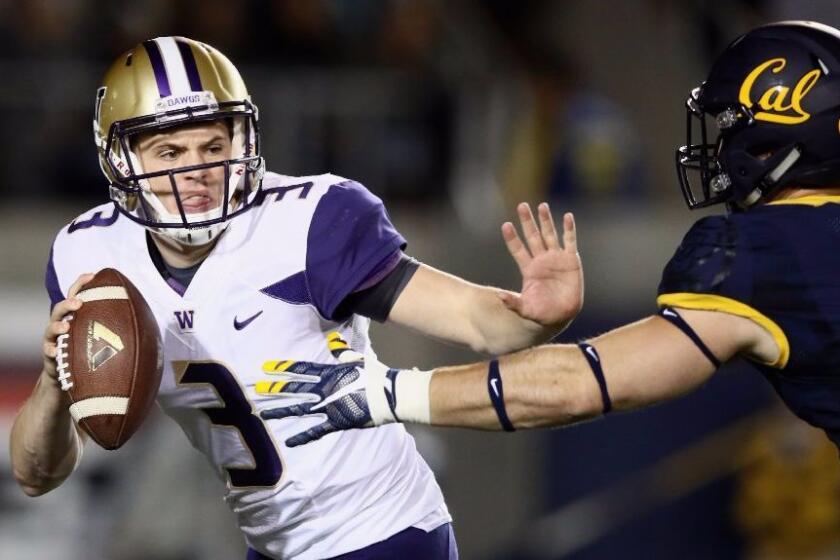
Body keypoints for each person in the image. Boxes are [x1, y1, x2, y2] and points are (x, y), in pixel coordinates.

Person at [9, 37, 585, 559]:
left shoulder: (308, 222)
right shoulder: (89, 257)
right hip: (274, 546)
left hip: (383, 529)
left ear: (243, 139)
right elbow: (36, 475)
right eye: (170, 153)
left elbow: (475, 322)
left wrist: (532, 317)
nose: (199, 170)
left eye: (213, 144)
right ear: (122, 160)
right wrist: (56, 382)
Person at [261, 21, 840, 458]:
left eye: (728, 126)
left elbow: (580, 384)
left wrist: (389, 394)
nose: (716, 147)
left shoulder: (764, 252)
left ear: (775, 131)